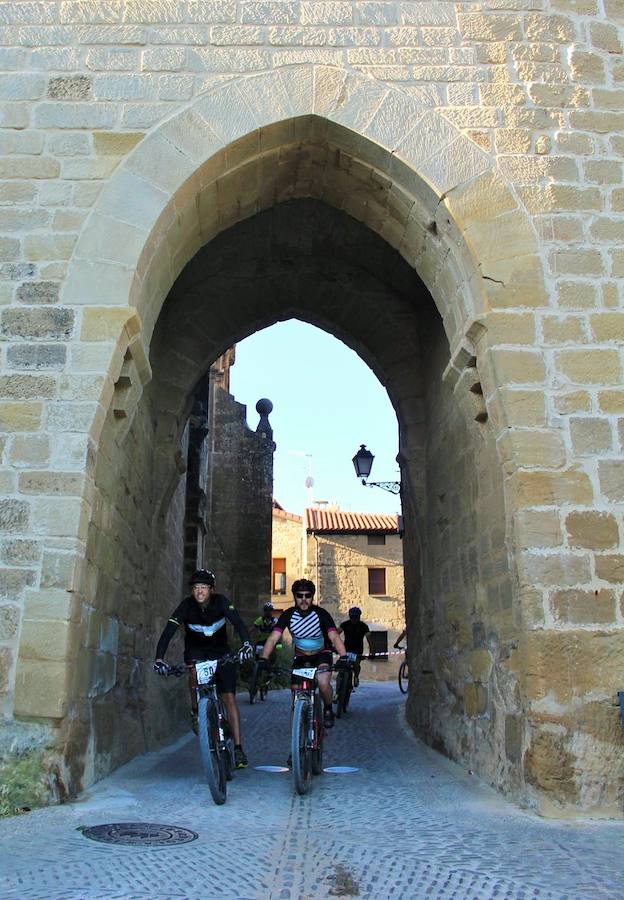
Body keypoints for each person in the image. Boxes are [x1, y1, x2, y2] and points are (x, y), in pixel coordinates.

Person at [154, 568, 254, 769]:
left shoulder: (222, 602)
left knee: (229, 699)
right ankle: (195, 710)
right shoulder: (186, 606)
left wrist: (246, 644)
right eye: (196, 587)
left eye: (204, 587)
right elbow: (168, 631)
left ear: (211, 589)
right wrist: (159, 658)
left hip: (221, 653)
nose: (199, 591)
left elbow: (238, 623)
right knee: (192, 671)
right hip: (197, 653)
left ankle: (238, 748)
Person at [259, 578, 348, 731]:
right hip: (301, 656)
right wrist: (264, 658)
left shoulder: (321, 614)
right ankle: (298, 733)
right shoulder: (288, 615)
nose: (304, 599)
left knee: (323, 683)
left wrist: (344, 656)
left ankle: (327, 709)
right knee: (295, 690)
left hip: (322, 654)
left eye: (308, 595)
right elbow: (273, 638)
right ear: (295, 596)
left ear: (312, 597)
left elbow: (334, 637)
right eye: (300, 596)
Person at [338, 606, 371, 687]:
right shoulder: (345, 624)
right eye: (352, 617)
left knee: (356, 664)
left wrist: (372, 651)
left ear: (359, 617)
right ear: (350, 617)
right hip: (346, 649)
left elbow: (369, 640)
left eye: (356, 617)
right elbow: (336, 634)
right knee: (341, 665)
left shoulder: (363, 626)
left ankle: (356, 676)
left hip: (358, 650)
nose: (354, 619)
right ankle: (339, 684)